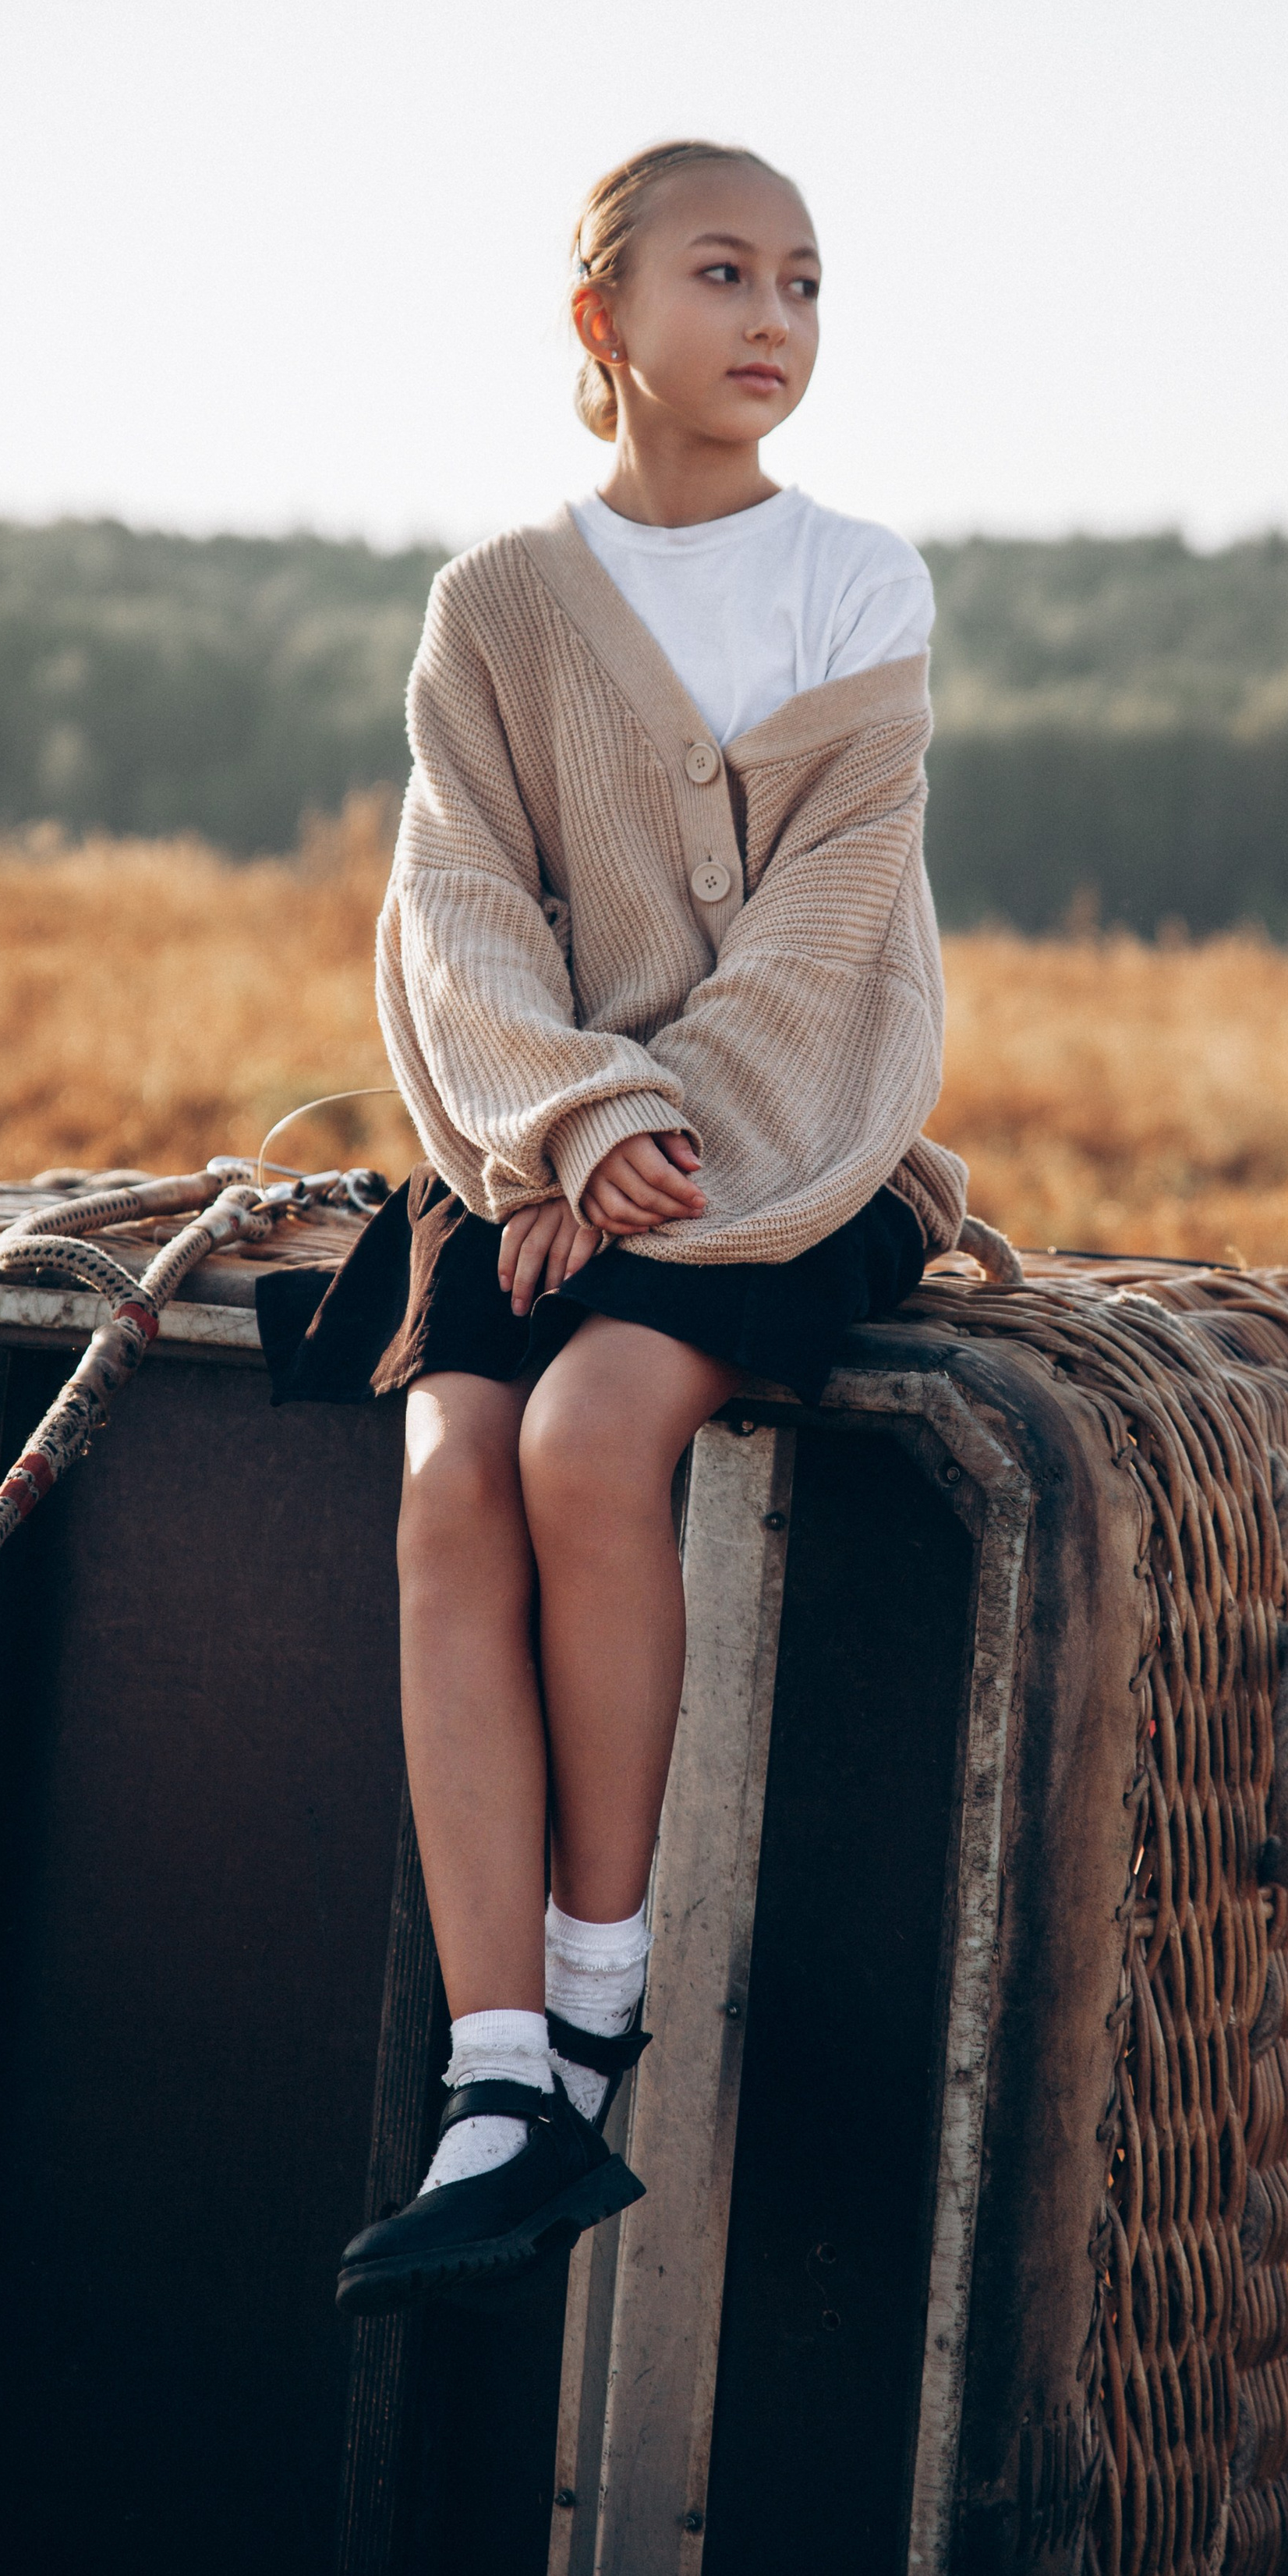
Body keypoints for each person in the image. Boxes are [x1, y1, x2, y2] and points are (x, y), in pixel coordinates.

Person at [259, 139, 968, 2313]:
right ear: (604, 318)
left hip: (787, 1146)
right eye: (724, 273)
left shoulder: (860, 584)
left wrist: (672, 1133)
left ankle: (591, 2009)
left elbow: (833, 927)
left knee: (585, 1440)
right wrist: (572, 1120)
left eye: (806, 282)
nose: (775, 319)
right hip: (537, 1143)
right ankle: (494, 2090)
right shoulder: (497, 602)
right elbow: (458, 904)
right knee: (448, 1468)